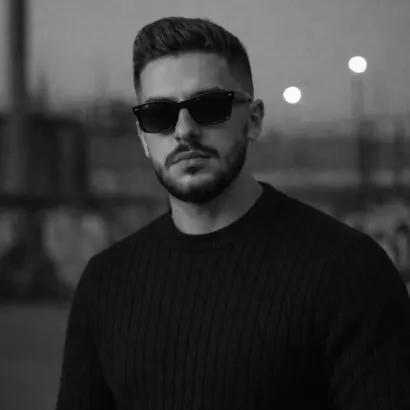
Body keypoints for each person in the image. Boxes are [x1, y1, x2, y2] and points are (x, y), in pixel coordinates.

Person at [56, 16, 410, 409]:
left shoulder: (348, 271)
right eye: (159, 114)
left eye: (209, 107)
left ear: (253, 120)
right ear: (143, 137)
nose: (184, 131)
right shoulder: (105, 283)